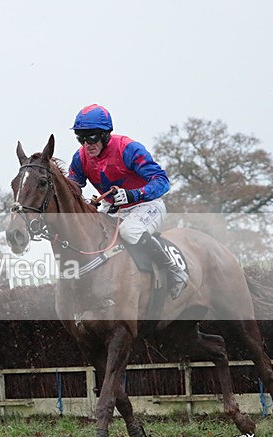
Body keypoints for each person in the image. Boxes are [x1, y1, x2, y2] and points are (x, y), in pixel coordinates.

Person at [67, 103, 188, 299]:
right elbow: (73, 186)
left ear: (106, 134)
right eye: (81, 138)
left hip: (147, 204)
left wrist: (134, 195)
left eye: (91, 137)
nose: (86, 144)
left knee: (129, 231)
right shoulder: (80, 157)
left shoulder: (128, 148)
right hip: (113, 208)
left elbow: (162, 182)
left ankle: (174, 271)